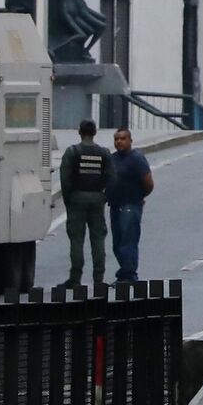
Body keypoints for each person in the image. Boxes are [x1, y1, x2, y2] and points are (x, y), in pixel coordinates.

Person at [58, 119, 111, 289]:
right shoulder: (104, 153)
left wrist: (69, 199)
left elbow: (65, 179)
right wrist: (104, 196)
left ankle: (75, 279)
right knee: (98, 239)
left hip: (77, 197)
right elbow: (112, 177)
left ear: (79, 132)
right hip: (97, 198)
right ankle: (98, 279)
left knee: (76, 240)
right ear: (95, 132)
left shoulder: (72, 152)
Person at [106, 128, 154, 285]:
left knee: (128, 240)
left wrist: (138, 197)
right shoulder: (112, 159)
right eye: (116, 139)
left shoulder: (136, 158)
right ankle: (124, 272)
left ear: (130, 141)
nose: (119, 141)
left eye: (123, 138)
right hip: (115, 205)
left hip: (130, 205)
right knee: (117, 242)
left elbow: (148, 183)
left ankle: (129, 274)